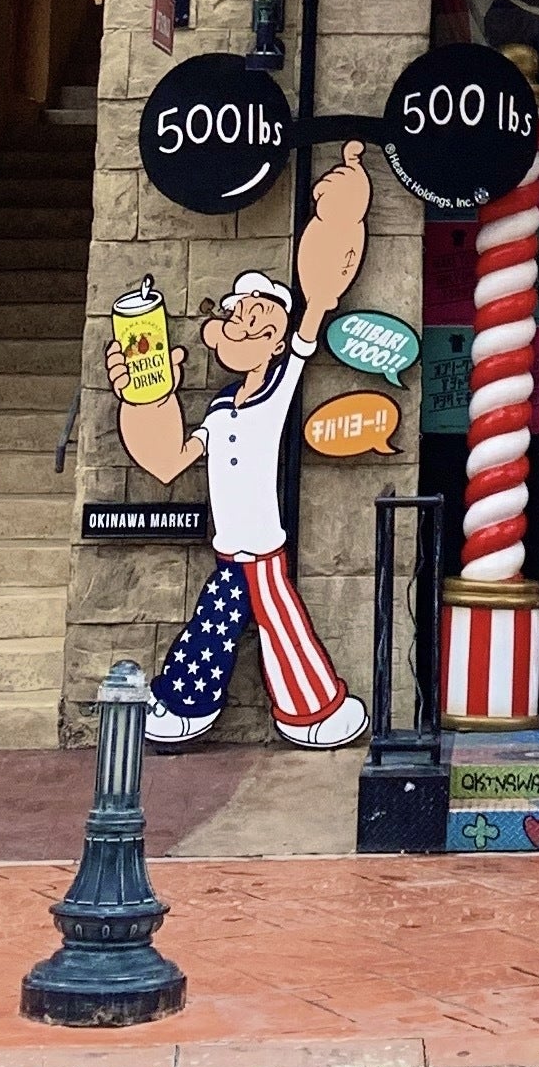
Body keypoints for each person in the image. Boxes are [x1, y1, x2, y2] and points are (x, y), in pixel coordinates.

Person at [109, 139, 373, 750]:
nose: (245, 327)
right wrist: (145, 401)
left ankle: (306, 712)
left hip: (262, 548)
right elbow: (171, 460)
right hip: (232, 551)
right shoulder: (221, 406)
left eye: (261, 322)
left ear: (277, 341)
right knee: (222, 626)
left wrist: (337, 235)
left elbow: (311, 322)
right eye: (238, 318)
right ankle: (200, 706)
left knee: (281, 629)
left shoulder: (275, 393)